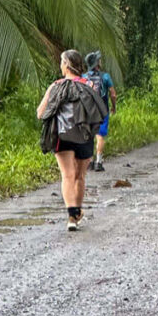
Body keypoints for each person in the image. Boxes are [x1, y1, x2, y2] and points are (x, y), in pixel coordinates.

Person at [37, 49, 108, 231]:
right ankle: (77, 212)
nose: (60, 66)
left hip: (62, 136)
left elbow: (40, 113)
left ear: (66, 65)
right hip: (84, 136)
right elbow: (97, 112)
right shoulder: (89, 85)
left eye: (61, 62)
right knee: (80, 176)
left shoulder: (55, 86)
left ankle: (71, 216)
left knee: (67, 175)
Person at [84, 51, 117, 172]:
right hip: (102, 110)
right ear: (97, 63)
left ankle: (90, 161)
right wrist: (114, 107)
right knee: (100, 136)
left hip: (87, 111)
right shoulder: (105, 77)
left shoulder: (84, 77)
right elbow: (113, 94)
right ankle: (98, 162)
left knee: (89, 136)